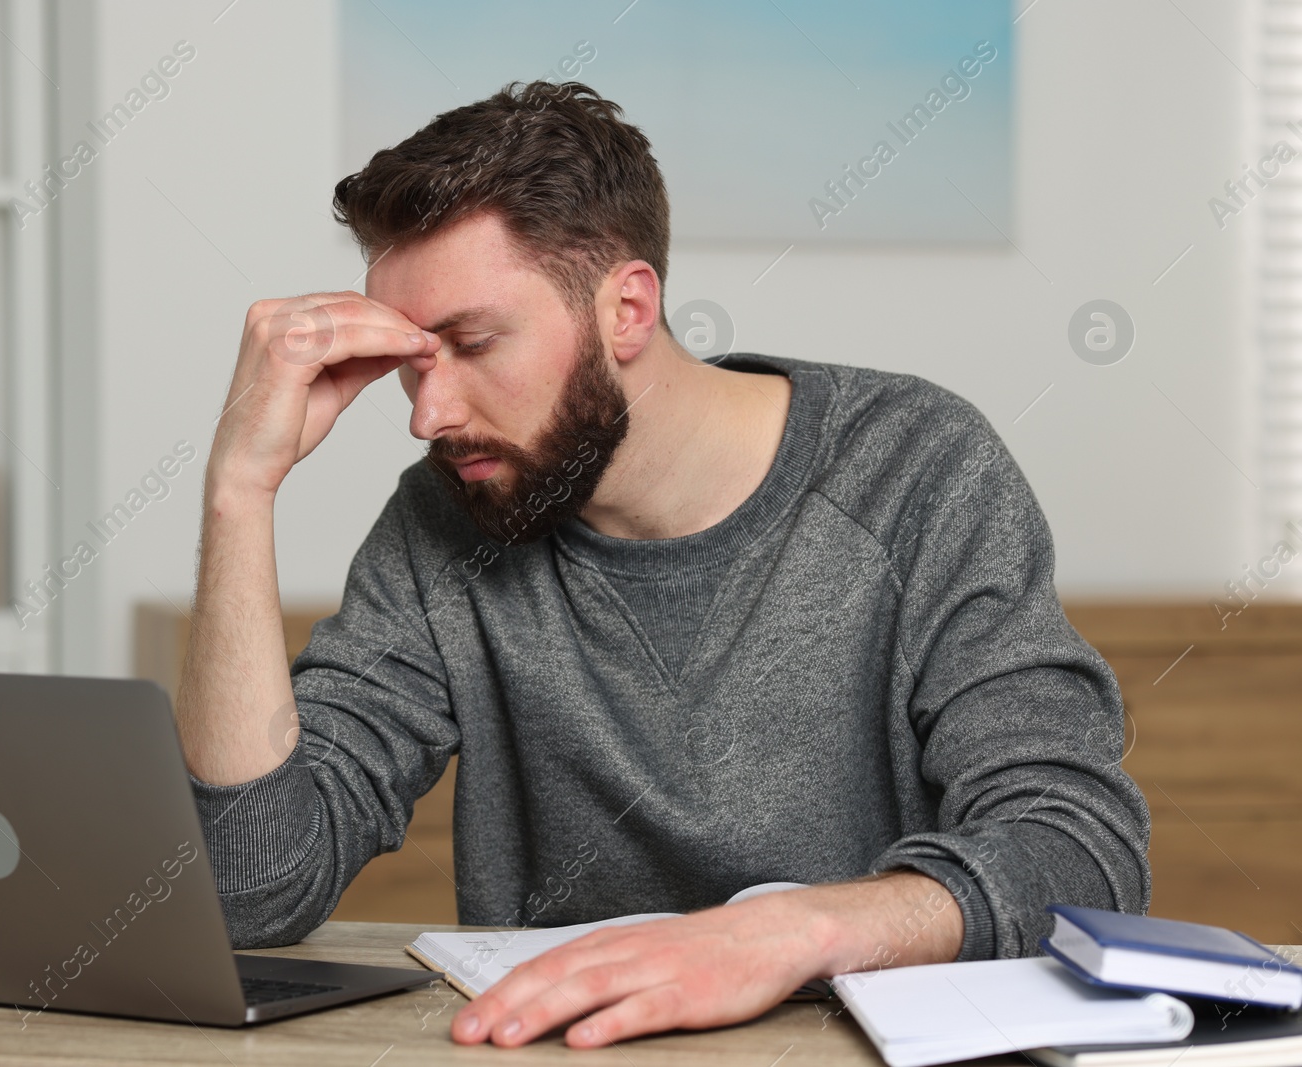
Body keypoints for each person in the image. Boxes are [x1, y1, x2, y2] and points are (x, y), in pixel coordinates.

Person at [173, 80, 1149, 1049]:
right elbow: (254, 890)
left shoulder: (915, 469)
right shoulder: (444, 517)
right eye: (411, 365)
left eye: (470, 345)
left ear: (625, 309)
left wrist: (786, 934)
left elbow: (1076, 847)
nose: (429, 415)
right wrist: (238, 488)